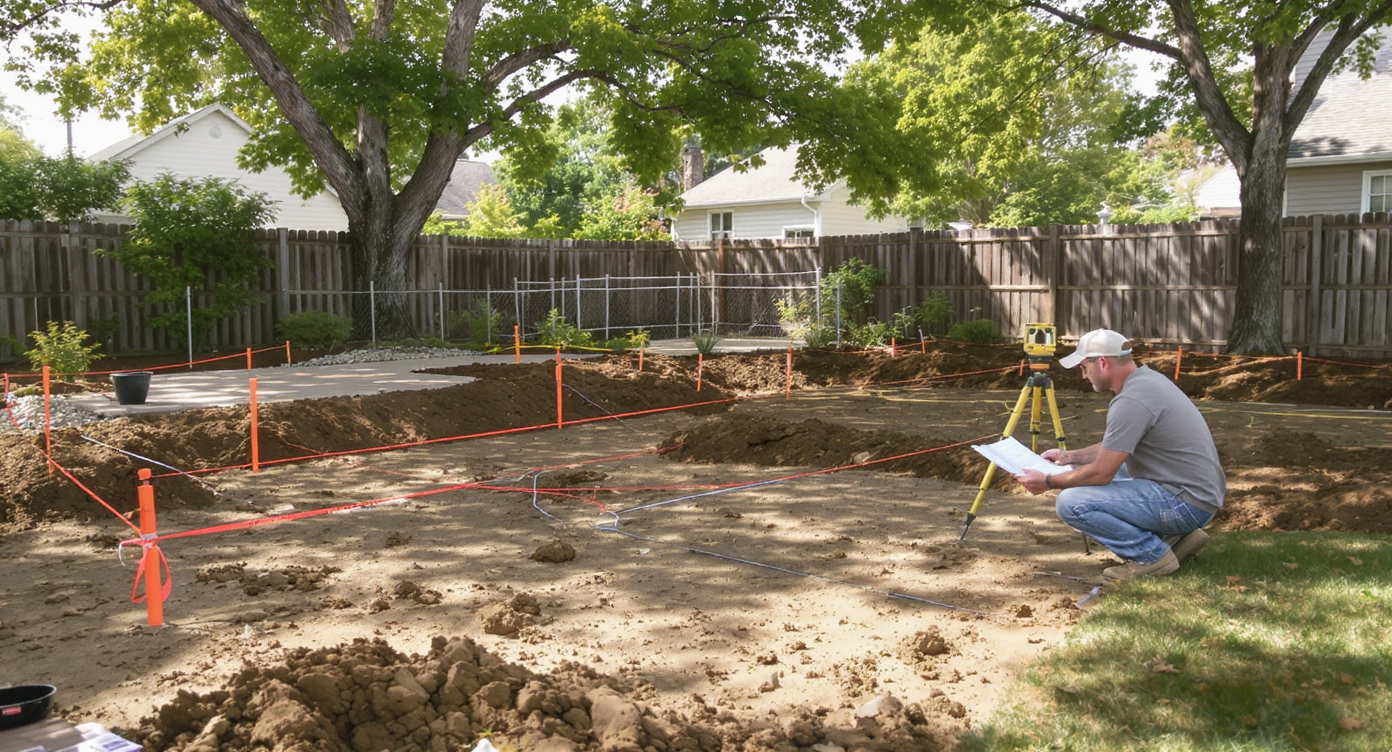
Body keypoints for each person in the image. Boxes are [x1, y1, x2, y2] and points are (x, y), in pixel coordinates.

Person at [1014, 329, 1226, 582]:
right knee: (1083, 474)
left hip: (1186, 504)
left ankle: (1151, 557)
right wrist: (1069, 457)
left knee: (1071, 502)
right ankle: (1176, 539)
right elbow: (1118, 445)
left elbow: (1102, 473)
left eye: (1084, 366)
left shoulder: (1131, 400)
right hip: (1196, 495)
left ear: (1102, 362)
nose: (1083, 375)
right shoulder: (1148, 381)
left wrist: (1047, 482)